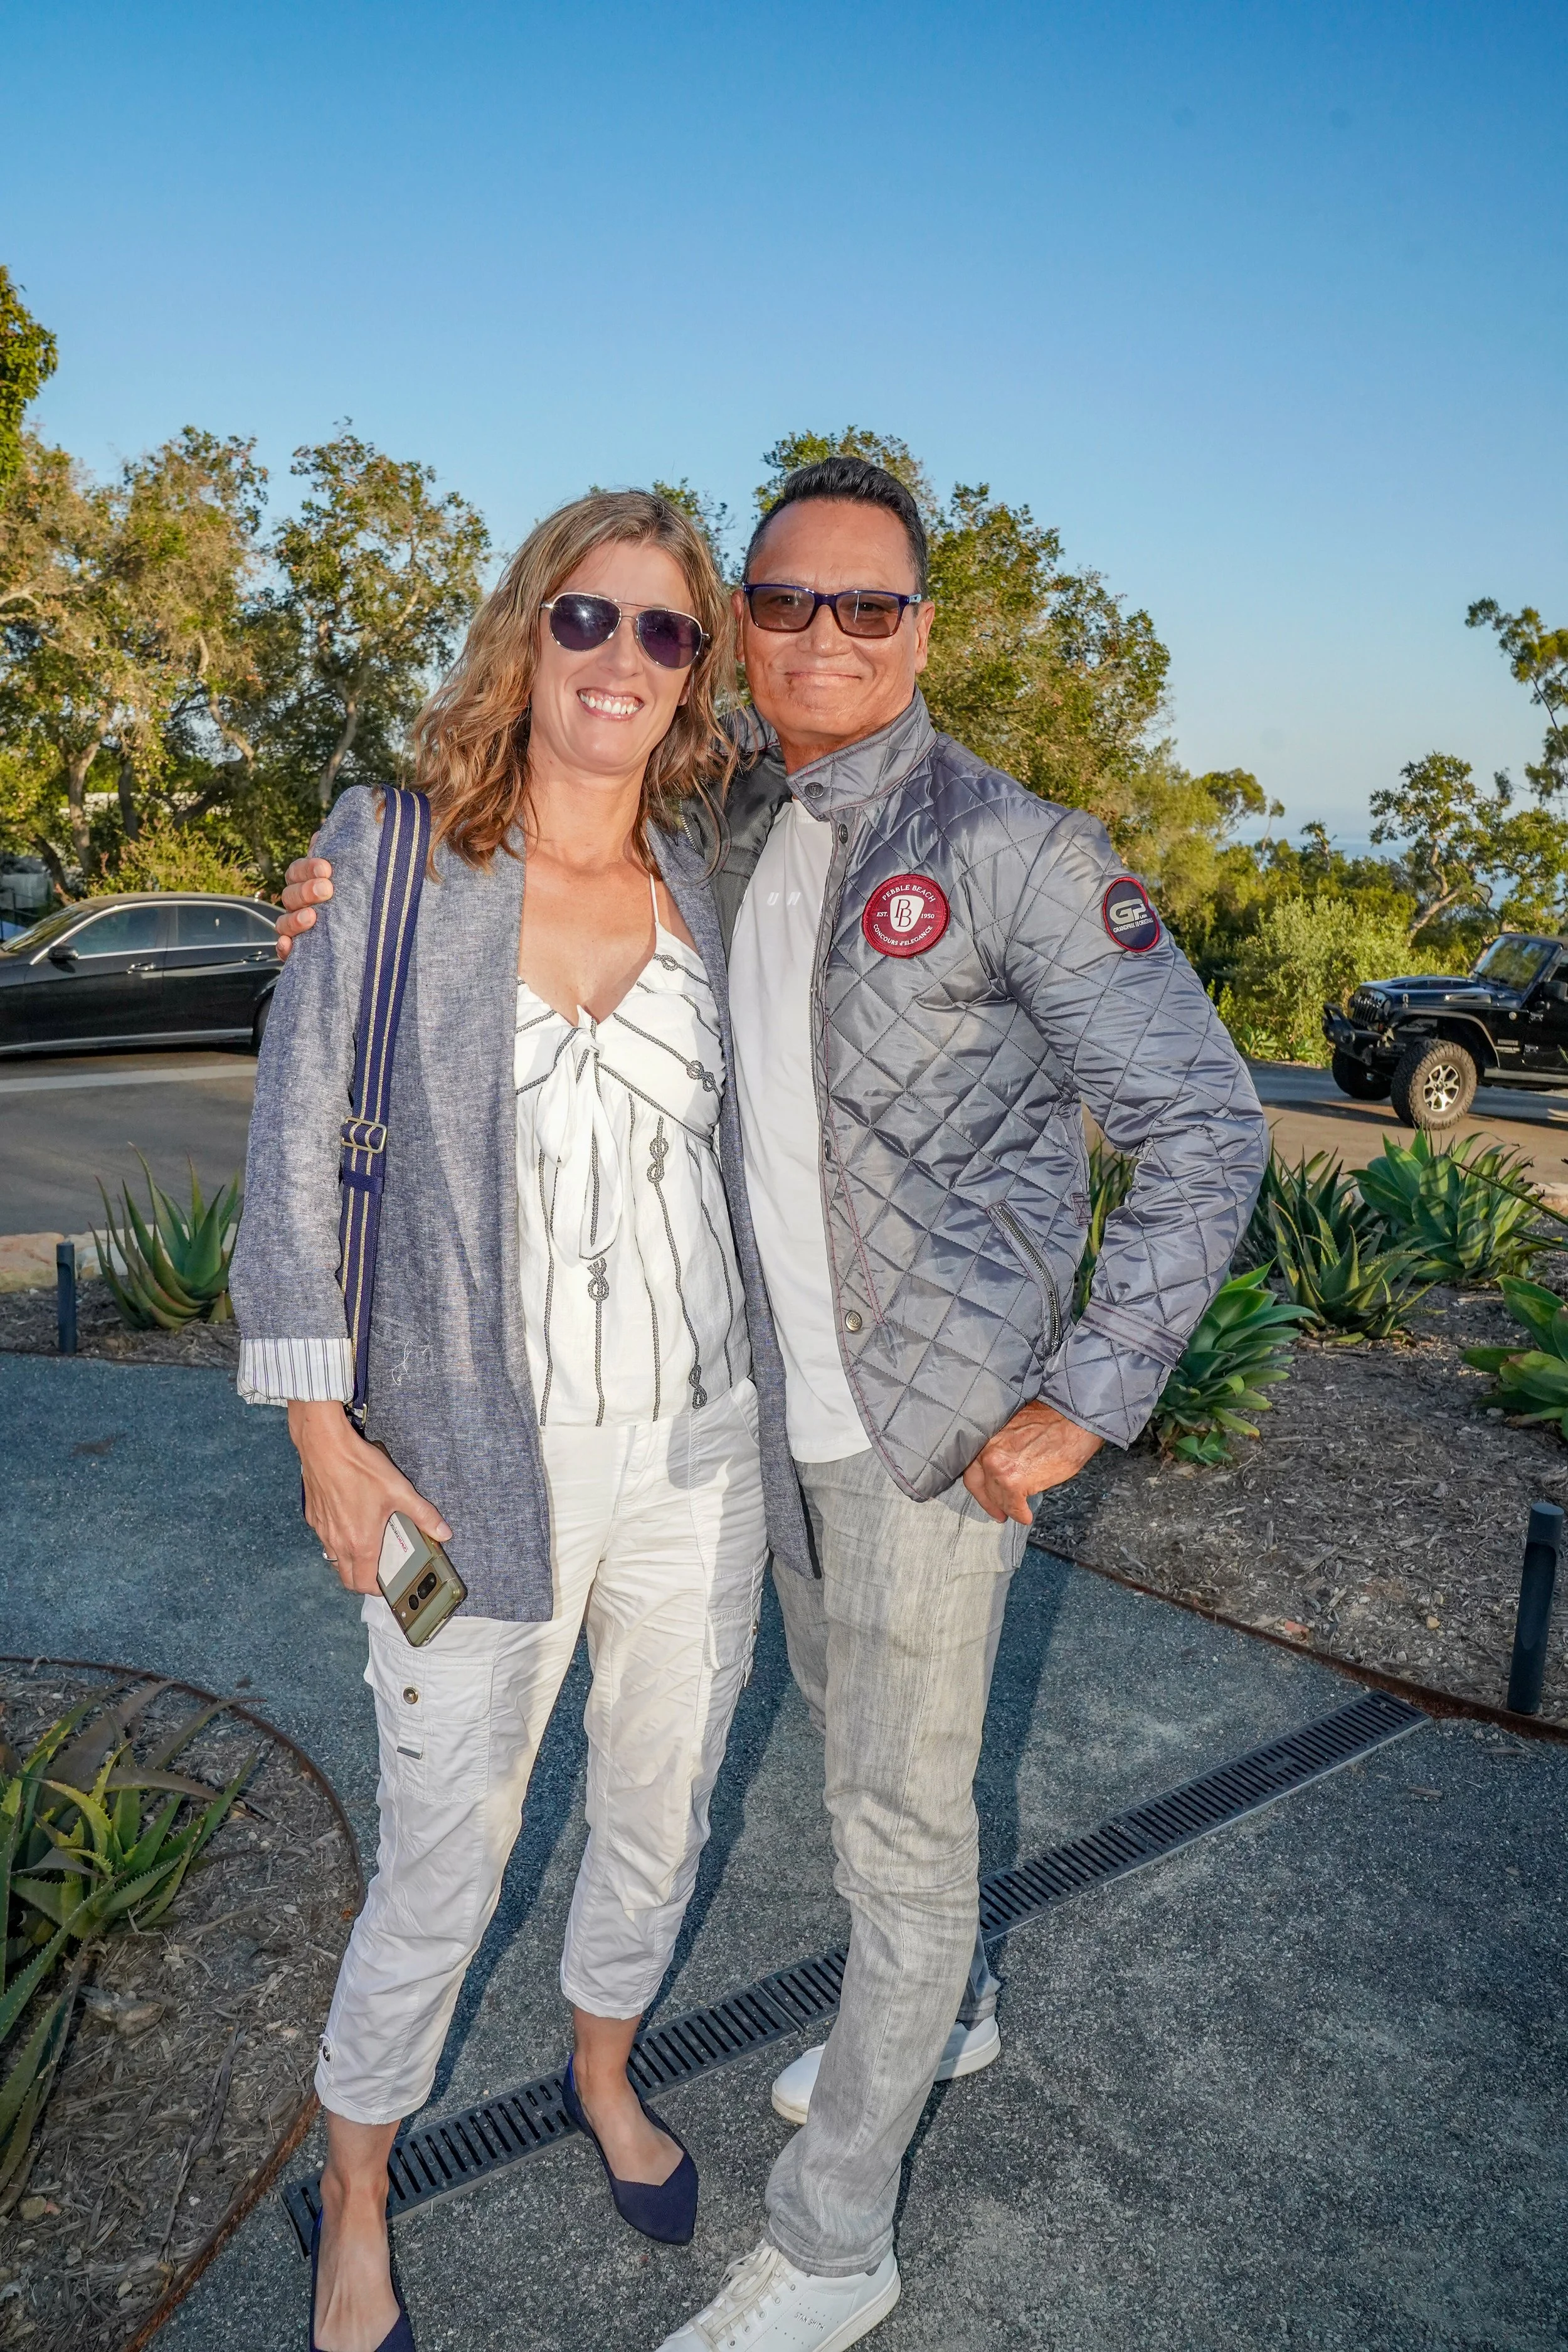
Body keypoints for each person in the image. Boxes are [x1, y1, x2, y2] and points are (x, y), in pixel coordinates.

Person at [275, 457, 1269, 2352]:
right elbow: (404, 1001)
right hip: (736, 1445)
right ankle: (932, 2000)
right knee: (834, 1781)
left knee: (887, 1823)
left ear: (922, 628)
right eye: (780, 603)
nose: (821, 635)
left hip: (917, 1441)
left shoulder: (1015, 848)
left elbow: (1206, 1126)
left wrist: (1082, 1396)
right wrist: (321, 901)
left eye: (867, 606)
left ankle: (831, 2243)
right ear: (740, 627)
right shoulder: (724, 814)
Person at [231, 489, 815, 2352]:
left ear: (696, 674)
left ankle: (604, 2064)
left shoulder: (720, 868)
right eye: (590, 620)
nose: (622, 662)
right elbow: (296, 1155)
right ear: (526, 632)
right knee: (442, 1854)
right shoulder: (392, 855)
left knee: (659, 1803)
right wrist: (324, 1438)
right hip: (464, 1469)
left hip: (698, 1454)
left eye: (663, 634)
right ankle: (351, 2194)